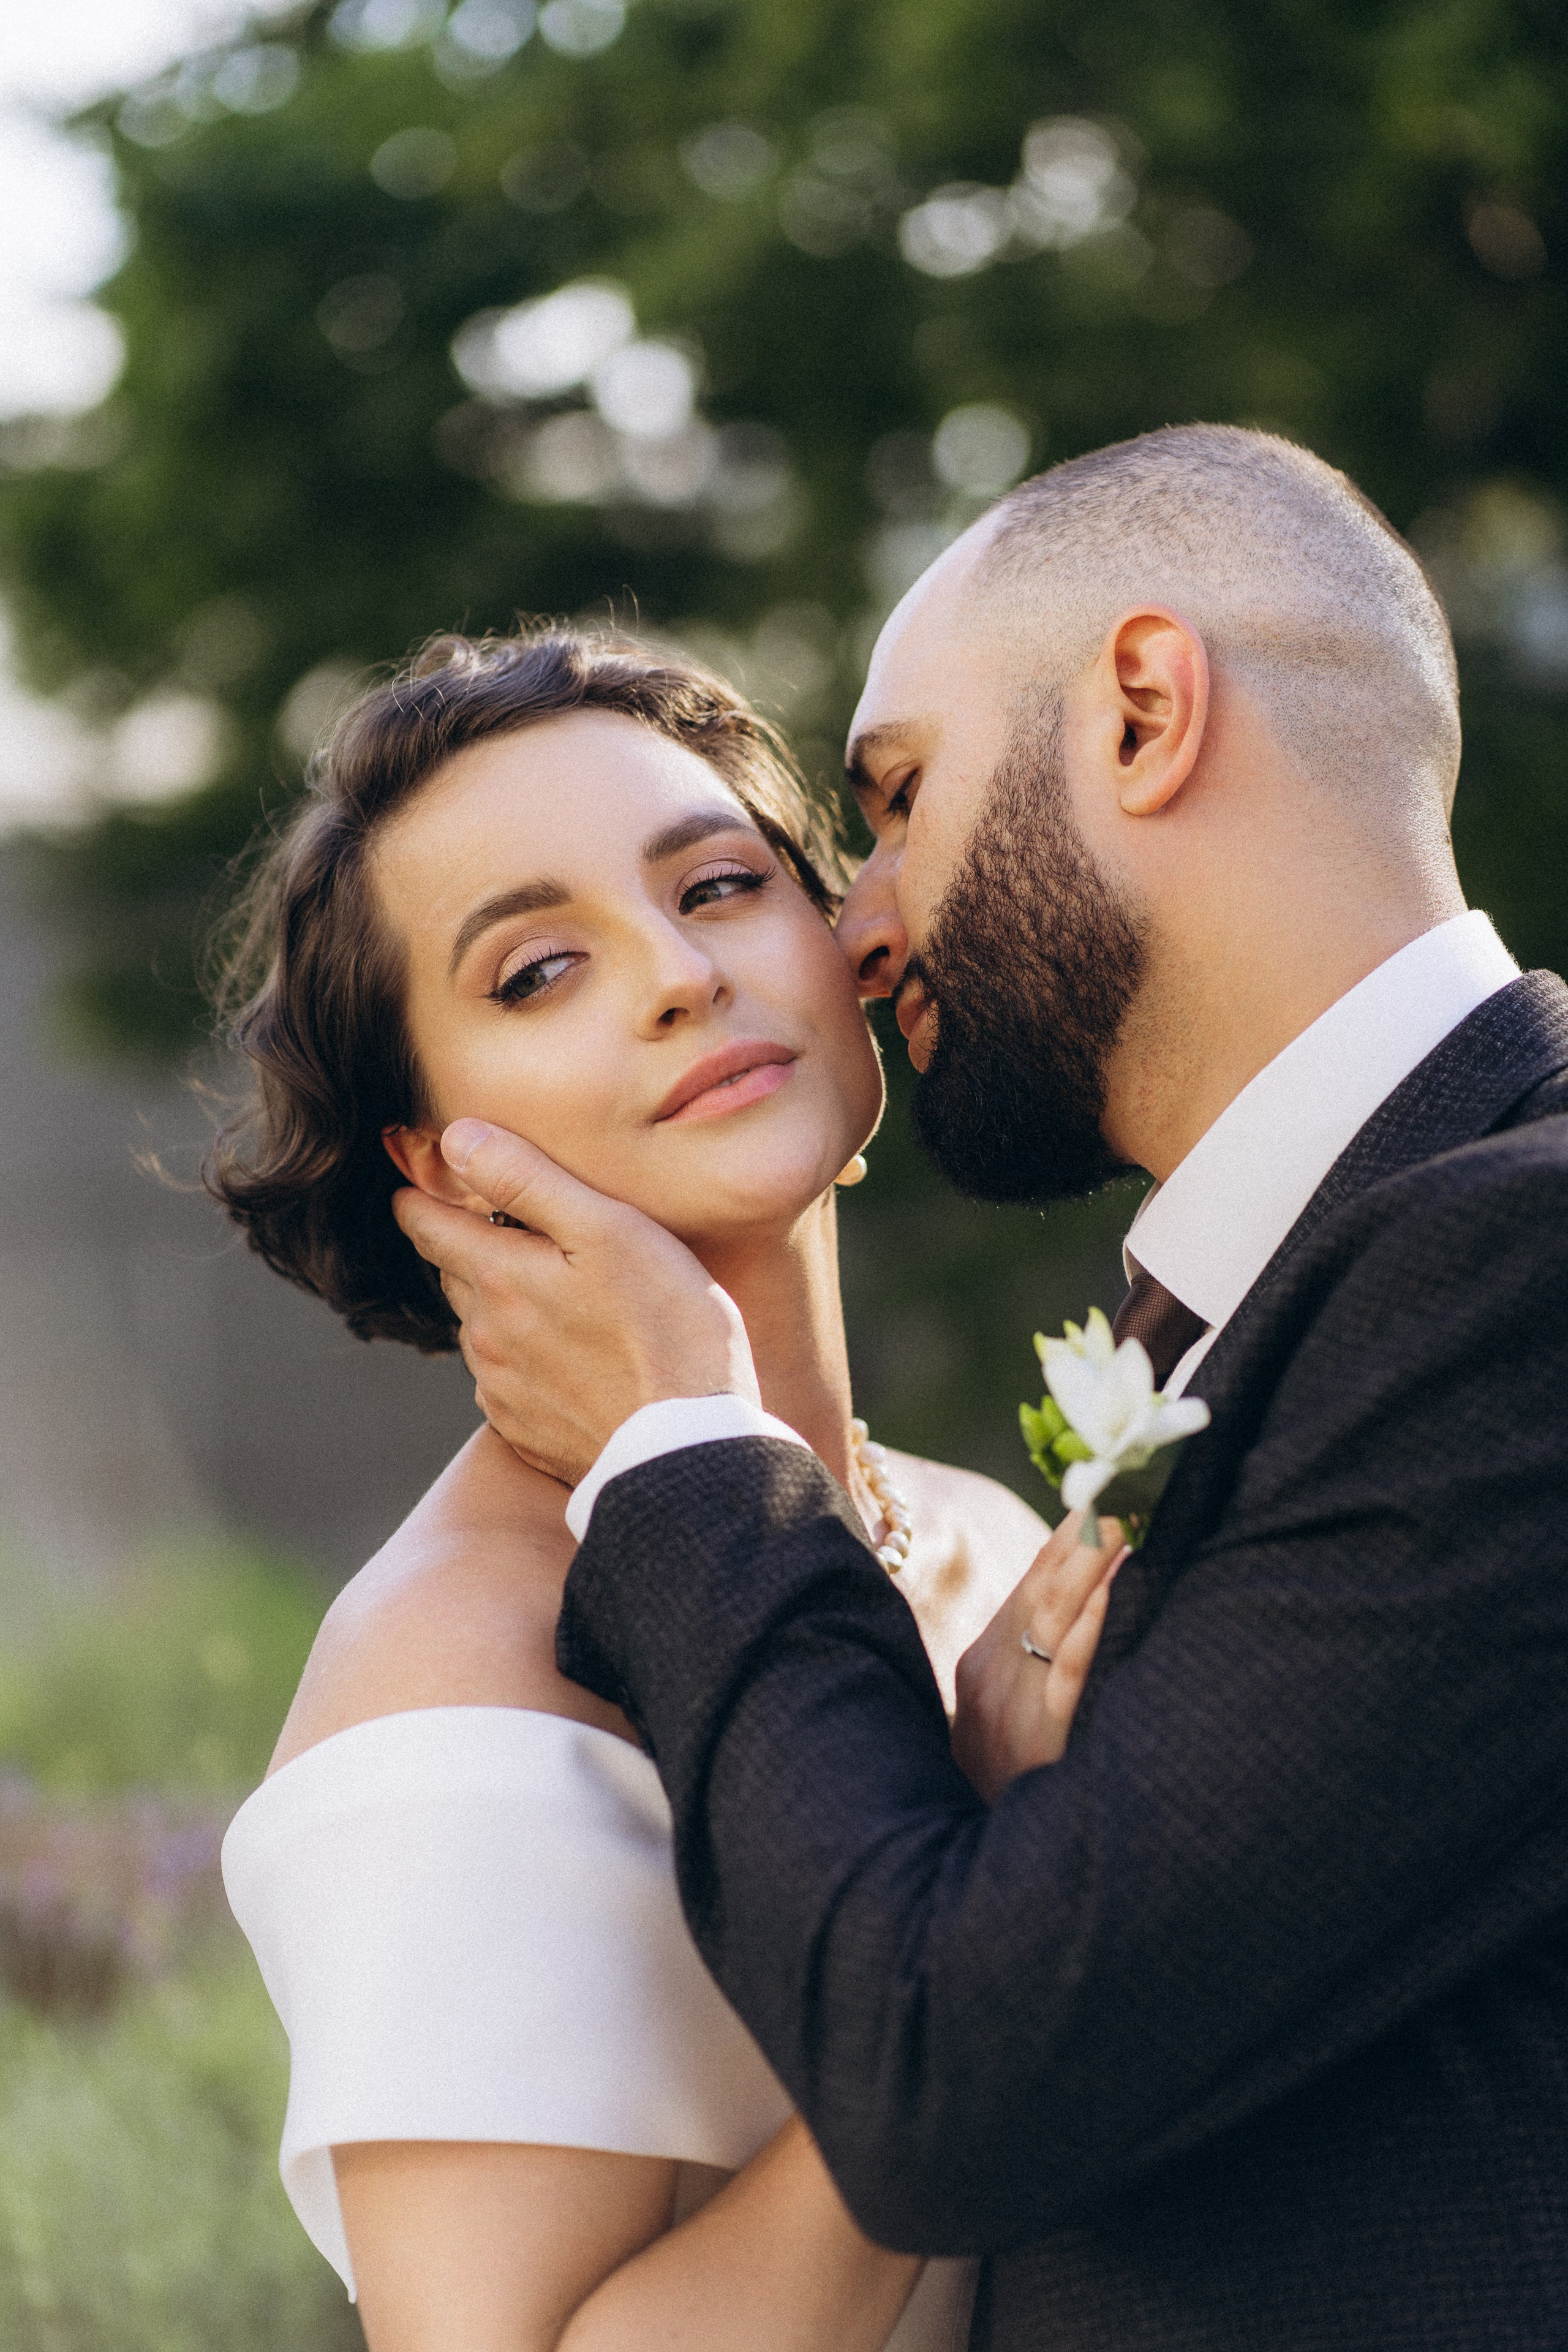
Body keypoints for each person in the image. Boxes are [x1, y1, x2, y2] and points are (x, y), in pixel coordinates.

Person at [396, 426, 1568, 2350]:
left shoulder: (1510, 1273)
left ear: (1138, 711)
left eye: (902, 797)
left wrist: (683, 1443)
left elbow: (955, 2071)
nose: (855, 925)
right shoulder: (1363, 1279)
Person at [214, 627, 1114, 2352]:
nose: (679, 975)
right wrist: (983, 1916)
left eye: (716, 887)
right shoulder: (463, 1674)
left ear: (850, 947)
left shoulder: (992, 1544)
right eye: (537, 970)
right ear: (431, 1155)